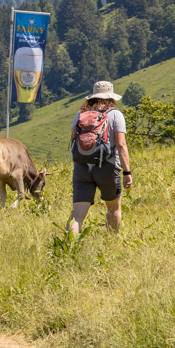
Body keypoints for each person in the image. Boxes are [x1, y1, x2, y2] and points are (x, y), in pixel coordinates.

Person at [68, 80, 132, 235]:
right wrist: (127, 172)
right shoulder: (115, 114)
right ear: (111, 98)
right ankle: (110, 241)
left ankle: (68, 245)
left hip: (82, 167)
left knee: (77, 215)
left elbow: (73, 140)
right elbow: (121, 144)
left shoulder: (80, 114)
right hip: (107, 166)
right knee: (113, 208)